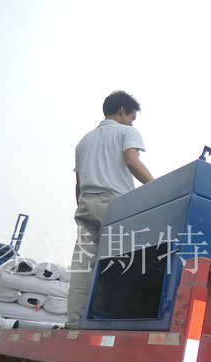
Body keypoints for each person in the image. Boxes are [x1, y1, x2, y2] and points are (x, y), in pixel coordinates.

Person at [66, 90, 154, 328]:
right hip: (114, 204)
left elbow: (78, 183)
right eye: (132, 117)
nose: (132, 122)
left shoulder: (84, 141)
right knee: (120, 263)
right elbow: (132, 162)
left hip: (85, 204)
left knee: (82, 268)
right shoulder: (127, 132)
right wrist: (156, 186)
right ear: (123, 110)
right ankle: (109, 324)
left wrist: (83, 206)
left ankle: (74, 323)